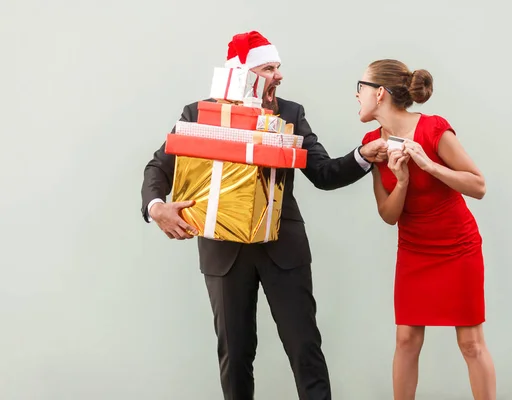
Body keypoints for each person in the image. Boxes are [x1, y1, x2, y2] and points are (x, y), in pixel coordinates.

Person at [140, 31, 387, 400]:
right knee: (235, 355)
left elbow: (322, 173)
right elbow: (158, 168)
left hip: (282, 248)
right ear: (243, 74)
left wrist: (363, 155)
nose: (279, 75)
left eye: (278, 67)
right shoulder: (200, 114)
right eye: (269, 68)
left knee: (304, 349)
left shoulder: (290, 113)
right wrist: (157, 208)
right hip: (223, 252)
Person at [357, 59, 497, 400]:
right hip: (414, 249)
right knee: (406, 340)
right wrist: (402, 182)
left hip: (457, 245)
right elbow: (388, 215)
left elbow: (478, 185)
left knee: (470, 343)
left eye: (359, 89)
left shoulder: (434, 129)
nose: (356, 96)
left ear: (379, 94)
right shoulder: (371, 144)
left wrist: (428, 164)